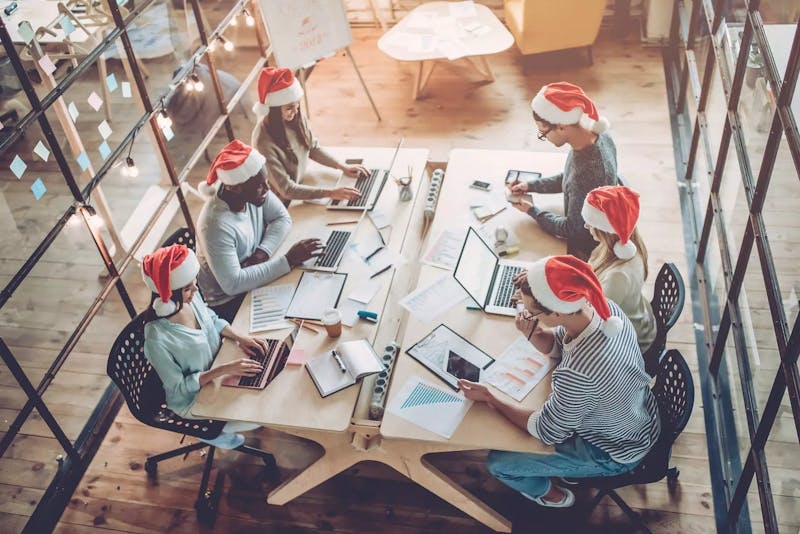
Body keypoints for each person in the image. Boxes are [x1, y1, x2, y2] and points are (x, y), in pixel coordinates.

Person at [459, 255, 660, 508]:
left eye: (532, 312)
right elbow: (562, 343)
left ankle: (552, 495)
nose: (530, 316)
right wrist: (535, 333)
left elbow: (547, 431)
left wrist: (491, 398)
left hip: (615, 452)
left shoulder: (578, 374)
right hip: (638, 418)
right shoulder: (604, 309)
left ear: (556, 311)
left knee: (499, 464)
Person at [142, 244, 266, 449]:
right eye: (188, 288)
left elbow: (212, 320)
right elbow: (179, 389)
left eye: (193, 283)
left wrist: (240, 337)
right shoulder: (157, 339)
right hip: (193, 398)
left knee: (264, 390)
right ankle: (210, 433)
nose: (196, 290)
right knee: (259, 415)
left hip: (220, 366)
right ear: (167, 295)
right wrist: (224, 370)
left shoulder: (190, 298)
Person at [196, 139, 323, 322]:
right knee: (299, 314)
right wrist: (288, 260)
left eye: (265, 182)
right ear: (235, 187)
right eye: (260, 186)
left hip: (253, 274)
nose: (268, 189)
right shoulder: (214, 226)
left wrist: (262, 253)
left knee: (310, 294)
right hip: (230, 302)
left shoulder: (252, 188)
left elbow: (282, 218)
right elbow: (233, 284)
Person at [507, 82, 618, 261]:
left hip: (587, 248)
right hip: (583, 219)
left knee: (524, 251)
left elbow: (572, 230)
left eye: (543, 133)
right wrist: (530, 186)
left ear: (561, 126)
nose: (544, 138)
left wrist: (533, 211)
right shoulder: (597, 136)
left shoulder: (589, 172)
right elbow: (569, 178)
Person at [250, 66, 366, 204]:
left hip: (304, 182)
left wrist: (342, 166)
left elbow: (312, 147)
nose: (295, 111)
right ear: (273, 109)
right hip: (284, 201)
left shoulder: (294, 117)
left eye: (297, 105)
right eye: (289, 108)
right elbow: (286, 189)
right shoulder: (262, 142)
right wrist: (331, 193)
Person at [582, 185, 656, 352]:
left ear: (606, 231)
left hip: (629, 342)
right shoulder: (626, 245)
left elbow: (592, 319)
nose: (586, 226)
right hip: (638, 318)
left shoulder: (618, 276)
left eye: (591, 222)